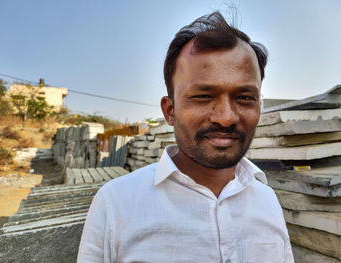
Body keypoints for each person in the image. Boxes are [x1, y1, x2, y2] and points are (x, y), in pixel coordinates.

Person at [78, 12, 294, 263]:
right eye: (203, 96)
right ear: (170, 111)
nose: (226, 117)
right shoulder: (116, 204)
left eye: (244, 97)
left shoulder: (266, 200)